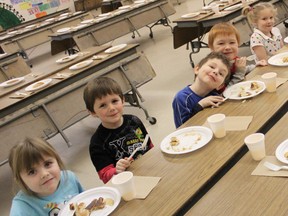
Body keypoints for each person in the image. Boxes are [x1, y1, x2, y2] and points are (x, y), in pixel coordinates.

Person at [83, 77, 153, 184]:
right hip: (126, 183)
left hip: (150, 172)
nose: (111, 108)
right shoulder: (97, 143)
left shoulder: (134, 121)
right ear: (92, 112)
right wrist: (116, 170)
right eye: (103, 105)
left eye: (115, 101)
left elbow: (148, 145)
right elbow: (105, 176)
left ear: (123, 100)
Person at [9, 137, 84, 216]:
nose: (44, 174)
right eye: (32, 172)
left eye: (47, 164)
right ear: (20, 180)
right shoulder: (21, 207)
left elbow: (85, 202)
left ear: (57, 160)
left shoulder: (70, 178)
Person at [172, 52, 231, 128]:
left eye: (221, 73)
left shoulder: (215, 96)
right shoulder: (182, 98)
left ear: (221, 85)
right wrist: (200, 106)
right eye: (212, 67)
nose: (216, 72)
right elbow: (184, 127)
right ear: (197, 69)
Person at [208, 22, 267, 93]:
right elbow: (226, 93)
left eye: (232, 42)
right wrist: (240, 73)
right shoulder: (214, 69)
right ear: (211, 47)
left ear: (238, 44)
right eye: (221, 43)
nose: (227, 47)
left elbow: (238, 70)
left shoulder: (232, 59)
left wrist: (255, 66)